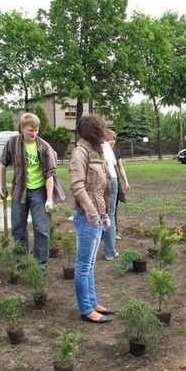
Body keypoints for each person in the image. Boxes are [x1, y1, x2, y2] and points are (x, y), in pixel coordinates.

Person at [0, 112, 59, 270]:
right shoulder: (12, 143)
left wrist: (49, 199)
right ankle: (22, 263)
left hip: (38, 191)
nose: (34, 133)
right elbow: (3, 163)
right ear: (22, 128)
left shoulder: (44, 147)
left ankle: (40, 266)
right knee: (18, 228)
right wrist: (0, 184)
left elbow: (50, 174)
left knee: (41, 229)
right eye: (31, 130)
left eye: (37, 130)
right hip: (19, 191)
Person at [69, 114, 114, 323]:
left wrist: (104, 214)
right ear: (93, 131)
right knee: (84, 265)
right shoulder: (80, 153)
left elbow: (100, 188)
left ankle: (93, 302)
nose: (105, 133)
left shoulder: (97, 152)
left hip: (96, 216)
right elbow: (78, 187)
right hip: (86, 217)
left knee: (90, 264)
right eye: (101, 129)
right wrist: (93, 214)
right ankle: (86, 309)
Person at [106, 130, 130, 240]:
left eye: (113, 139)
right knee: (105, 208)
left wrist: (126, 182)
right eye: (109, 139)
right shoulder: (101, 150)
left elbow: (120, 167)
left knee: (113, 208)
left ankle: (114, 231)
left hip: (115, 181)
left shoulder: (116, 151)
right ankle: (103, 231)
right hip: (105, 182)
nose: (112, 141)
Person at [101, 131, 120, 260]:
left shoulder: (90, 145)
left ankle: (99, 247)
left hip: (101, 179)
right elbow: (114, 163)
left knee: (101, 213)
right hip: (112, 179)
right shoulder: (107, 146)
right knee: (110, 215)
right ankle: (110, 252)